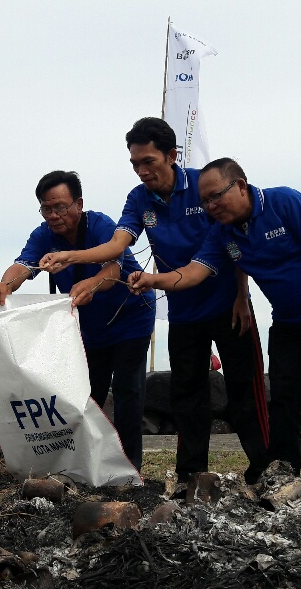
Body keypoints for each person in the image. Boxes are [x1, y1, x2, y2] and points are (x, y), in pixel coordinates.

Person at [128, 158, 301, 502]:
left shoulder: (285, 202)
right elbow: (196, 272)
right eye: (205, 202)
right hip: (288, 320)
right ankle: (284, 477)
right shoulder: (222, 230)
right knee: (284, 400)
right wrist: (154, 280)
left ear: (240, 185)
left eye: (217, 197)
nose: (211, 207)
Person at [39, 119, 270, 485]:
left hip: (229, 306)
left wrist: (243, 295)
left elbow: (233, 236)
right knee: (187, 396)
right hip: (182, 311)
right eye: (135, 164)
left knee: (244, 392)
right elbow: (118, 246)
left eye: (149, 161)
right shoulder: (139, 198)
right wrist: (72, 257)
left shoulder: (204, 186)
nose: (142, 171)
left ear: (171, 155)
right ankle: (190, 475)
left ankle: (264, 471)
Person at [0, 171, 155, 470]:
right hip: (90, 326)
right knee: (87, 394)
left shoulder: (101, 225)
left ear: (79, 204)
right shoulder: (43, 236)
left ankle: (131, 467)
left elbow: (113, 270)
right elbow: (24, 265)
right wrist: (6, 285)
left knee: (128, 390)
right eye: (46, 208)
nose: (54, 215)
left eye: (61, 207)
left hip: (130, 317)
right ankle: (89, 461)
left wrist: (92, 284)